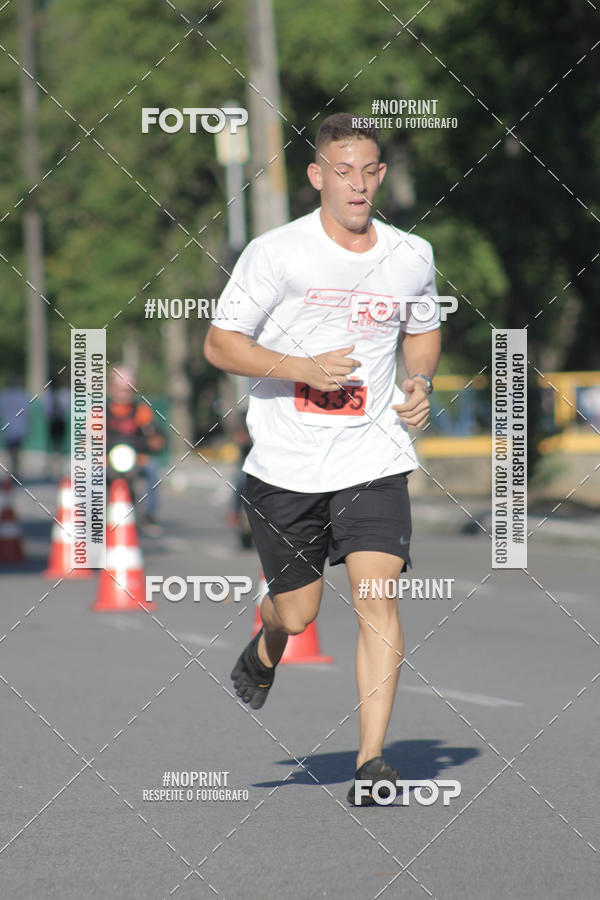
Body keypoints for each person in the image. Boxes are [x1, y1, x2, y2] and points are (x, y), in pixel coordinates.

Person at [204, 113, 441, 806]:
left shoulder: (411, 255)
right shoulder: (276, 254)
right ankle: (266, 643)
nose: (358, 184)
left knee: (377, 598)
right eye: (343, 171)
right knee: (299, 613)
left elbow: (422, 333)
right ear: (317, 177)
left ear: (382, 176)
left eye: (369, 170)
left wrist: (419, 380)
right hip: (285, 463)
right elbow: (221, 345)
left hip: (373, 455)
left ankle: (372, 762)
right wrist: (301, 365)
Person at [106, 367, 165, 532]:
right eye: (121, 390)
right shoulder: (101, 411)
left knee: (153, 469)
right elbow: (89, 435)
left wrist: (154, 440)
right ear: (111, 389)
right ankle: (89, 515)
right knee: (89, 474)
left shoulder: (141, 411)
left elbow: (154, 435)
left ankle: (149, 515)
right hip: (106, 459)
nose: (124, 395)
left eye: (128, 391)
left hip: (135, 458)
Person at [0, 375, 30, 482]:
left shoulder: (6, 394)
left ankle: (14, 472)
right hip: (16, 427)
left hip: (11, 426)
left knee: (13, 451)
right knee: (14, 451)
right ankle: (14, 472)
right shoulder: (19, 394)